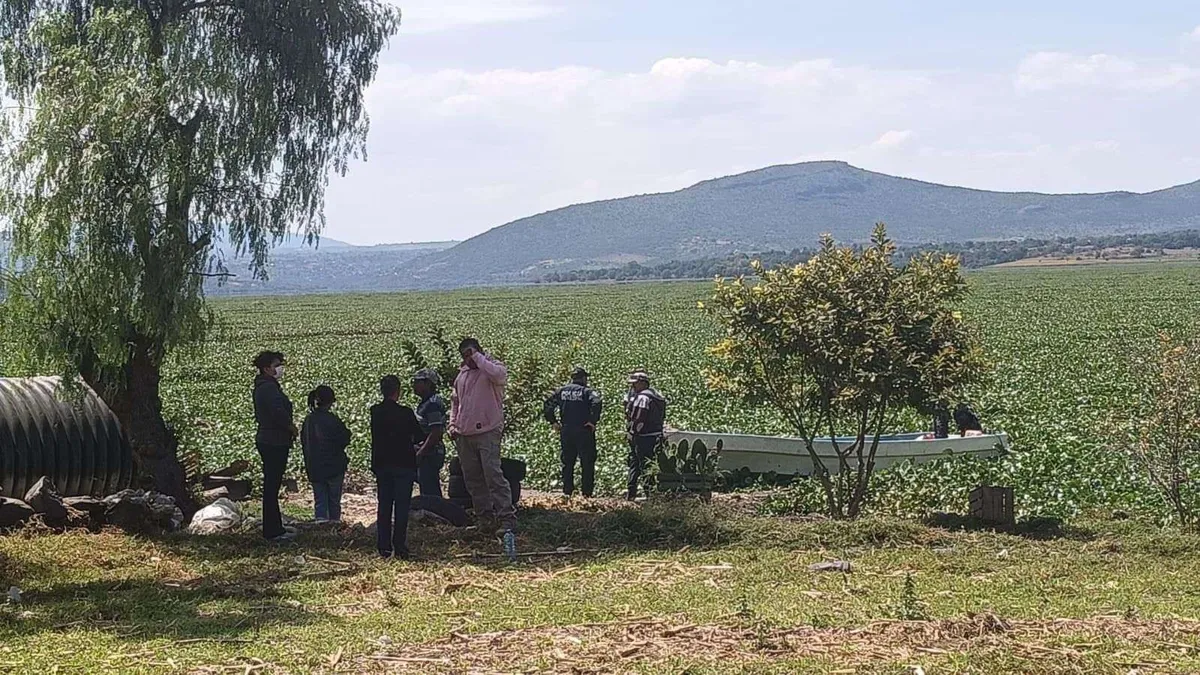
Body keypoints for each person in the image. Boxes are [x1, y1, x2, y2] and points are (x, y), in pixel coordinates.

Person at [448, 337, 516, 533]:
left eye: (470, 353)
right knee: (473, 479)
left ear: (478, 351)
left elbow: (499, 375)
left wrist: (478, 358)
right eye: (464, 355)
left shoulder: (493, 369)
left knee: (493, 475)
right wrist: (453, 424)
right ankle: (484, 518)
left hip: (487, 431)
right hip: (464, 434)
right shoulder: (462, 375)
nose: (468, 359)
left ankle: (506, 518)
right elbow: (455, 402)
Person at [371, 375, 425, 560]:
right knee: (401, 507)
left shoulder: (375, 412)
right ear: (398, 391)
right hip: (403, 464)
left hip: (383, 464)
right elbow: (419, 436)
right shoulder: (405, 413)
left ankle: (383, 547)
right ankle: (400, 546)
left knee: (384, 505)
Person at [252, 350, 297, 541]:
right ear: (266, 368)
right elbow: (277, 412)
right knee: (272, 485)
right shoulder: (268, 389)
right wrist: (291, 427)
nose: (280, 368)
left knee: (272, 484)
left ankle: (275, 526)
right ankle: (272, 530)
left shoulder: (265, 386)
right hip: (273, 441)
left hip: (268, 439)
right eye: (276, 365)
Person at [544, 366, 603, 498]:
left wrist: (553, 422)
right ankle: (586, 494)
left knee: (567, 462)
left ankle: (567, 492)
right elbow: (597, 402)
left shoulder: (561, 391)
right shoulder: (587, 391)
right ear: (583, 378)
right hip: (584, 430)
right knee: (587, 462)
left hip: (566, 430)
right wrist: (592, 421)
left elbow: (548, 405)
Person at [300, 385, 351, 523]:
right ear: (331, 402)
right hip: (334, 467)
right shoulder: (332, 420)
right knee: (334, 502)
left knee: (320, 501)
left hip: (315, 467)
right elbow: (345, 438)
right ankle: (334, 526)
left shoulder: (309, 420)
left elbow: (303, 441)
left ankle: (321, 526)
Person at [624, 370, 667, 501]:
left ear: (643, 383)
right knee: (645, 463)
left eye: (635, 384)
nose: (633, 387)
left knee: (640, 464)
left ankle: (643, 493)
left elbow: (639, 418)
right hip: (655, 435)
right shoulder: (656, 395)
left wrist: (633, 433)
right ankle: (643, 493)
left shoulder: (643, 397)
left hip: (643, 437)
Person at [412, 368, 448, 498]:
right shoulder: (424, 404)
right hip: (425, 451)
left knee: (429, 491)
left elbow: (435, 432)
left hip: (430, 453)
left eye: (418, 382)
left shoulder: (432, 405)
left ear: (428, 384)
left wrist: (421, 452)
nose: (414, 385)